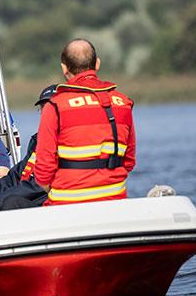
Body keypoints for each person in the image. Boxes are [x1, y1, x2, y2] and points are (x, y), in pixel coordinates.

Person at [35, 39, 136, 205]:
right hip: (115, 202)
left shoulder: (55, 106)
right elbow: (129, 161)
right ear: (97, 64)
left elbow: (44, 171)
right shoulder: (123, 103)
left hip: (66, 205)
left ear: (64, 68)